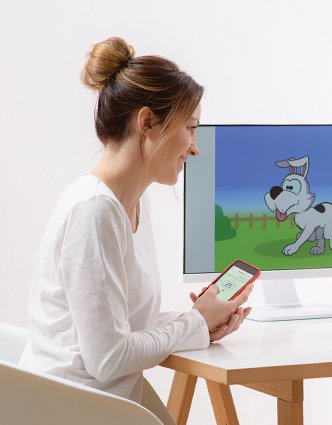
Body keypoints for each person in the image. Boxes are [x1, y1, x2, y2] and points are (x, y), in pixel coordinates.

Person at [19, 37, 252, 424]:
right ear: (147, 123)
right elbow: (109, 358)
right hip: (70, 410)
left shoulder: (131, 204)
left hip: (106, 403)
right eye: (190, 128)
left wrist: (200, 320)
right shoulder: (94, 211)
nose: (195, 148)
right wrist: (195, 322)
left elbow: (122, 327)